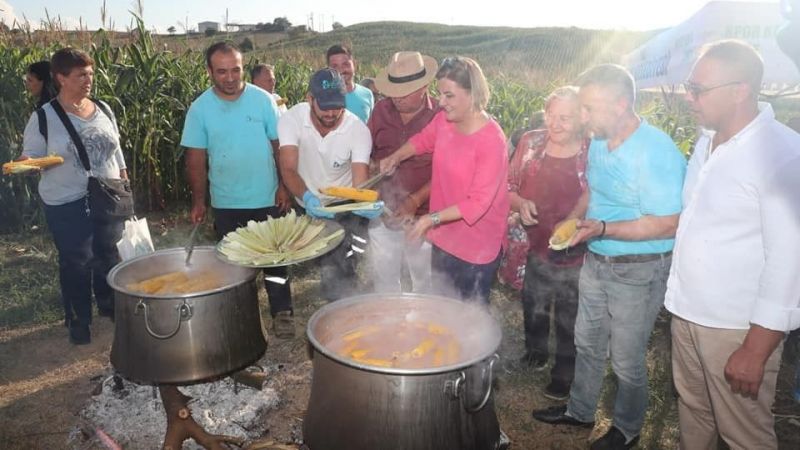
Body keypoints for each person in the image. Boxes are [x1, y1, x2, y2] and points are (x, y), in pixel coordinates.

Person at [531, 64, 686, 450]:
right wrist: (573, 220)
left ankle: (627, 429)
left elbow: (668, 223)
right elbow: (594, 194)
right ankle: (580, 411)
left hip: (638, 269)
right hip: (596, 260)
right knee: (587, 341)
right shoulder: (600, 141)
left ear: (620, 104)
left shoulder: (656, 150)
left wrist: (602, 229)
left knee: (627, 359)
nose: (584, 117)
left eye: (590, 108)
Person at [665, 40, 800, 450]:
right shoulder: (707, 142)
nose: (689, 96)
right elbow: (693, 219)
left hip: (734, 327)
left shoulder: (782, 154)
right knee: (695, 415)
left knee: (744, 435)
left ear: (740, 90)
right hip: (687, 314)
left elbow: (790, 258)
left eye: (698, 89)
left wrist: (756, 349)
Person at [181, 42, 295, 338]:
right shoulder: (200, 109)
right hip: (227, 201)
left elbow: (279, 145)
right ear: (209, 72)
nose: (230, 77)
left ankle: (282, 312)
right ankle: (242, 317)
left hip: (267, 196)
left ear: (243, 68)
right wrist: (199, 201)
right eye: (222, 72)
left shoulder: (263, 100)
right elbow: (195, 157)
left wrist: (284, 185)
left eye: (236, 70)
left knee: (275, 259)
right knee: (234, 264)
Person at [380, 56, 509, 305]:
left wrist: (429, 219)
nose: (441, 102)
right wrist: (396, 156)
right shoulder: (444, 122)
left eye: (449, 95)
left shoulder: (491, 140)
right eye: (440, 94)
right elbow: (422, 140)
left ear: (472, 95)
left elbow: (478, 203)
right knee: (442, 308)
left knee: (469, 317)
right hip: (444, 237)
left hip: (477, 246)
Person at [20, 48, 128, 345]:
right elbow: (31, 157)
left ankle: (111, 308)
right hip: (67, 200)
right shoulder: (43, 117)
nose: (88, 80)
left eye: (91, 74)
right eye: (81, 75)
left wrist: (123, 176)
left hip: (108, 196)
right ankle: (79, 319)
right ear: (60, 78)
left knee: (109, 255)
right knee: (77, 261)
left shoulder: (103, 108)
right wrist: (29, 163)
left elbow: (116, 147)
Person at [502, 86, 588, 402]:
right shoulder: (531, 142)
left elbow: (597, 193)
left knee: (569, 311)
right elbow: (507, 185)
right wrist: (520, 202)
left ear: (582, 117)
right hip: (535, 242)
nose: (556, 124)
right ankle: (535, 352)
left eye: (565, 118)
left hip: (577, 248)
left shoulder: (592, 149)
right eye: (552, 116)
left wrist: (575, 221)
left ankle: (565, 372)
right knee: (533, 302)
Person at [277, 68, 377, 301]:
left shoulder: (357, 130)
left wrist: (365, 202)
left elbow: (359, 180)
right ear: (309, 98)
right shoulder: (291, 119)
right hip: (307, 199)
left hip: (343, 205)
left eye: (337, 105)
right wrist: (309, 198)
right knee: (323, 259)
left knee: (342, 264)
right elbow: (289, 169)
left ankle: (344, 308)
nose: (332, 113)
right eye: (325, 106)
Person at [367, 51, 439, 293]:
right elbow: (369, 155)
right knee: (385, 282)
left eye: (404, 92)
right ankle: (390, 327)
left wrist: (414, 200)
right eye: (393, 91)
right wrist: (374, 175)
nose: (396, 98)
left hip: (425, 218)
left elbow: (446, 173)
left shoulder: (441, 116)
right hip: (384, 214)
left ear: (425, 87)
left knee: (425, 283)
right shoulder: (380, 111)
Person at [326, 44, 373, 123]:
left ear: (354, 64)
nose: (340, 70)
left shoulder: (367, 94)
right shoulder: (322, 98)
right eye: (335, 66)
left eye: (345, 64)